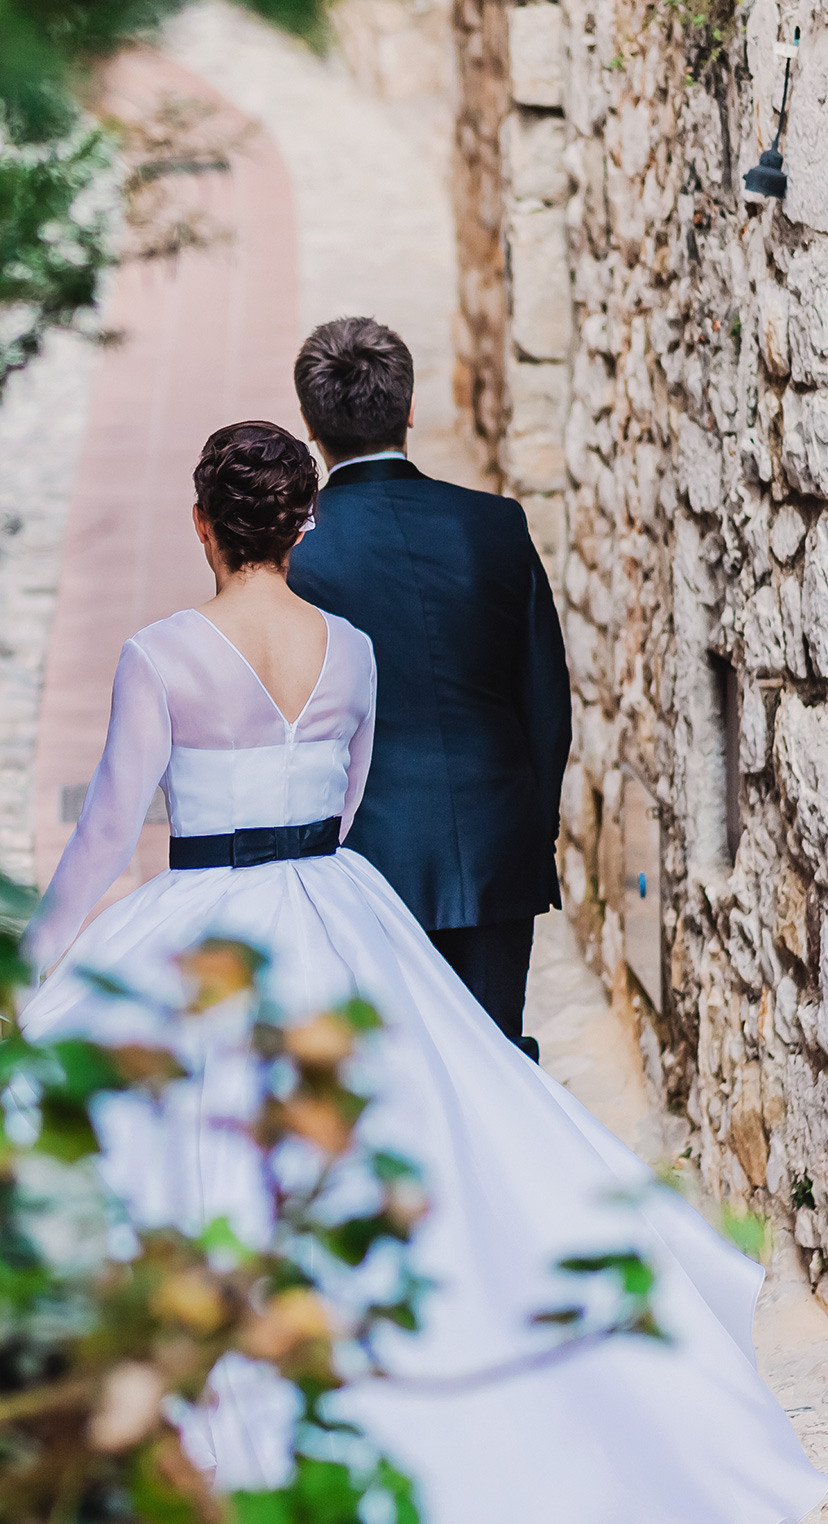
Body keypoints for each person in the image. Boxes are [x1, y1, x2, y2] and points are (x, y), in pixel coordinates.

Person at [20, 422, 827, 1524]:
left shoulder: (160, 655)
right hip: (338, 910)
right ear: (303, 526)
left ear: (203, 524)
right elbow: (345, 802)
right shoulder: (348, 651)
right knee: (421, 1151)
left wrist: (33, 969)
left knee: (182, 1163)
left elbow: (105, 832)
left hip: (202, 914)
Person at [285, 318, 569, 1056]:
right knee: (496, 1064)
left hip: (366, 860)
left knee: (395, 1078)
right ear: (410, 409)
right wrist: (531, 829)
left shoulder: (298, 553)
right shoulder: (496, 525)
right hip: (498, 844)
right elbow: (546, 700)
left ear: (312, 427)